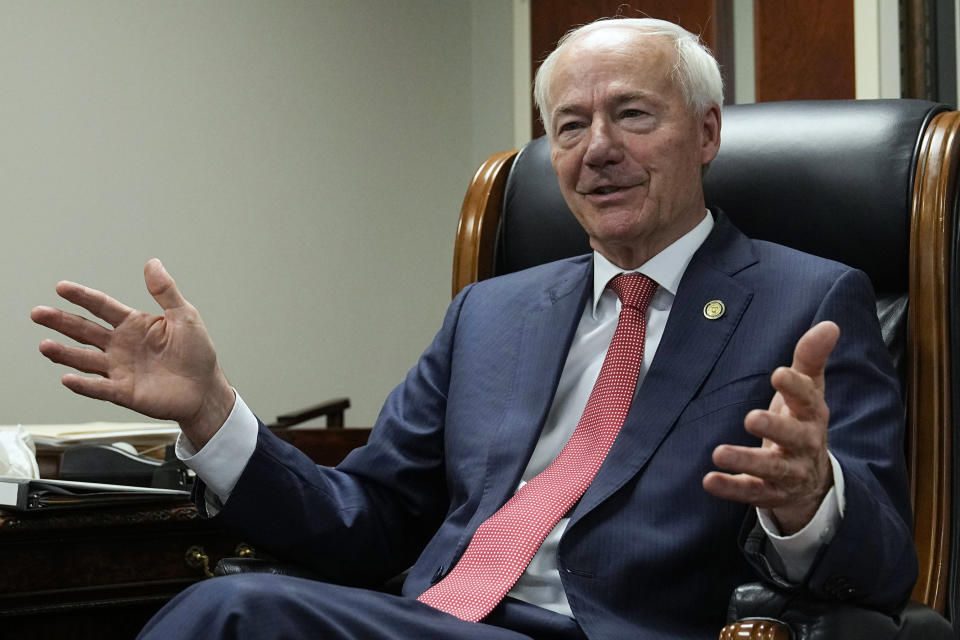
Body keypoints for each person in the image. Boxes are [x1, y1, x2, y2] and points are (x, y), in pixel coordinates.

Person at [31, 18, 916, 640]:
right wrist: (212, 413)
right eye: (568, 125)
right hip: (436, 620)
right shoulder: (491, 313)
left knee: (230, 616)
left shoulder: (809, 300)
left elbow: (884, 573)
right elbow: (365, 523)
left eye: (632, 115)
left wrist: (809, 499)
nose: (595, 147)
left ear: (708, 132)